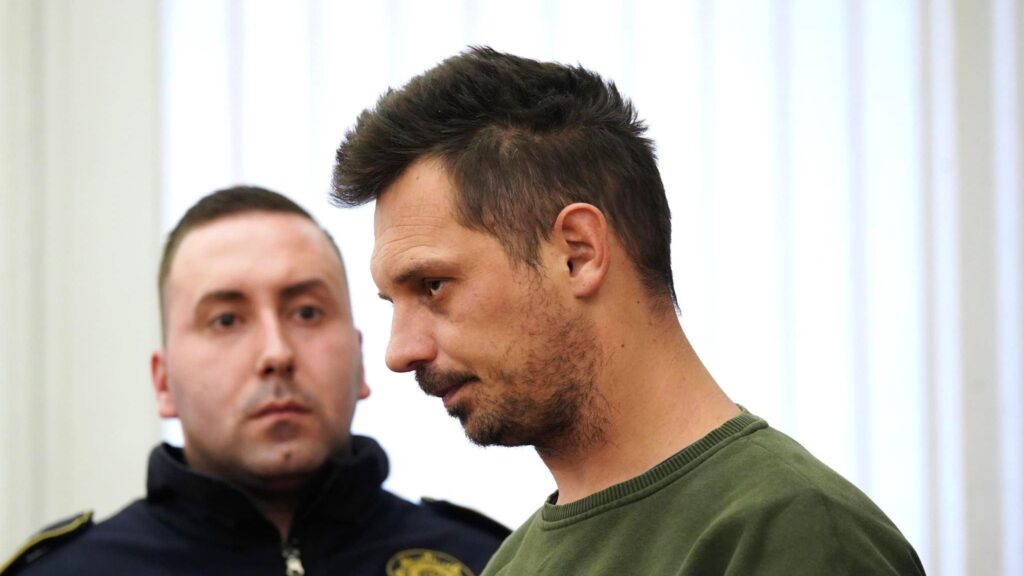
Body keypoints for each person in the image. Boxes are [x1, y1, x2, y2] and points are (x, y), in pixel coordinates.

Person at [331, 47, 925, 575]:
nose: (398, 353)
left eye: (433, 285)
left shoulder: (792, 533)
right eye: (392, 303)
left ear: (578, 254)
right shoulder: (510, 563)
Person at [2, 186, 508, 576]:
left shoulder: (491, 563)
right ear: (164, 383)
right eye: (226, 320)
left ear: (359, 362)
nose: (276, 353)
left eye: (307, 312)